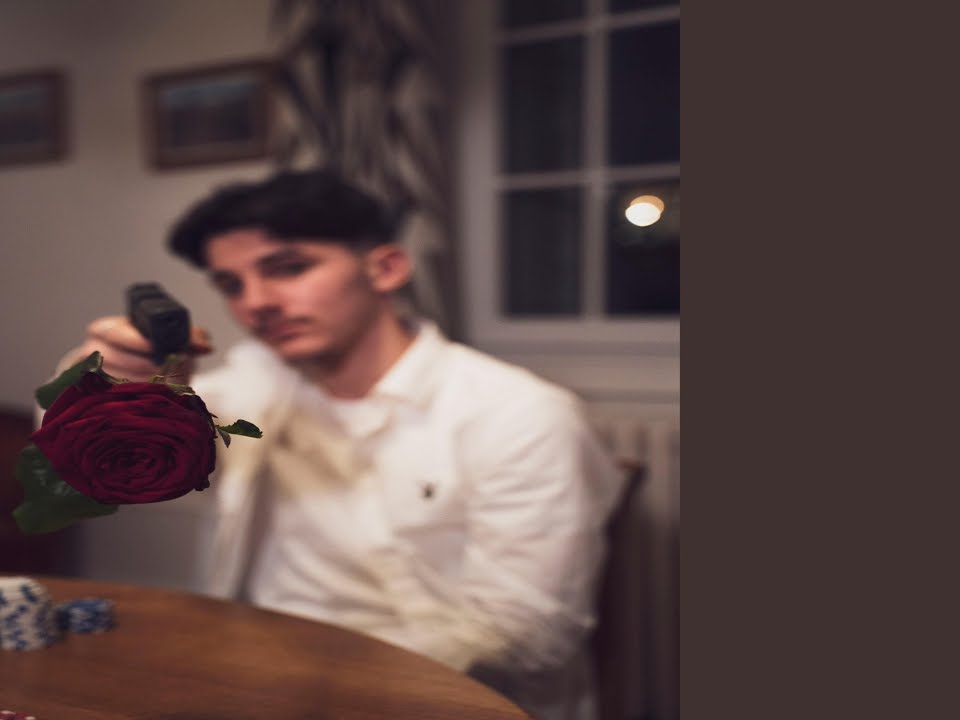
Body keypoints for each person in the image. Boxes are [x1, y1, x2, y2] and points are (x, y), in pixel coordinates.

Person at [53, 169, 625, 720]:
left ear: (386, 268)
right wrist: (109, 388)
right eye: (231, 285)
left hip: (446, 699)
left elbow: (525, 632)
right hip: (254, 674)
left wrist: (306, 684)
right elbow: (89, 476)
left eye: (289, 268)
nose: (256, 302)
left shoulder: (519, 414)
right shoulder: (253, 384)